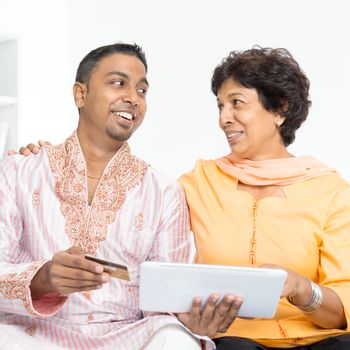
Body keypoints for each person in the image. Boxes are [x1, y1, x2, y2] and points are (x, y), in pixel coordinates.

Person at [0, 42, 241, 350]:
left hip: (126, 337)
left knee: (175, 339)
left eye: (142, 90)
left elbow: (164, 300)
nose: (132, 98)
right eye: (118, 83)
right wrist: (42, 279)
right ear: (81, 94)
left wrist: (192, 321)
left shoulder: (164, 192)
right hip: (35, 334)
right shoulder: (19, 172)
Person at [177, 47, 350, 348]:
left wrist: (301, 288)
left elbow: (341, 315)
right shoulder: (199, 183)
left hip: (316, 338)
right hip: (233, 339)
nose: (223, 119)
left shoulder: (330, 191)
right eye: (220, 106)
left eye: (236, 104)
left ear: (279, 110)